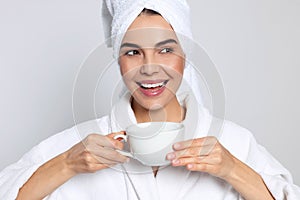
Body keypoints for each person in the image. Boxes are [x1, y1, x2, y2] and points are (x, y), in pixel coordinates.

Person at [1, 0, 300, 199]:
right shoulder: (78, 149)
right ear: (117, 60)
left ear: (186, 55)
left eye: (166, 50)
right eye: (132, 52)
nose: (149, 67)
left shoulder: (235, 144)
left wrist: (232, 169)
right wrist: (67, 164)